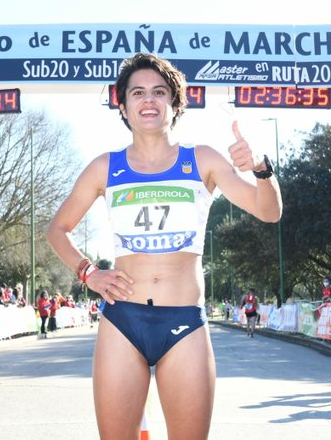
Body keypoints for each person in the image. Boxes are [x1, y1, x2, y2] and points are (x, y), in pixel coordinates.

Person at [46, 53, 282, 438]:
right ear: (122, 105)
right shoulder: (104, 167)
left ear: (175, 103)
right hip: (123, 322)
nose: (148, 100)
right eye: (137, 92)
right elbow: (58, 229)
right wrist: (89, 272)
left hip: (184, 322)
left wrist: (260, 168)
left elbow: (268, 211)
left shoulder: (202, 159)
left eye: (159, 92)